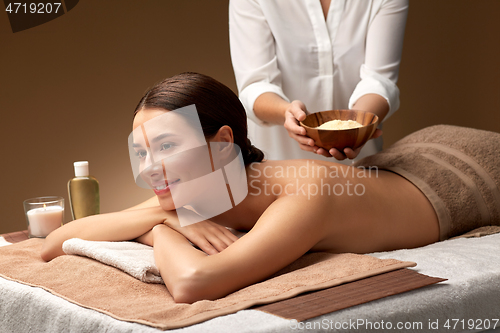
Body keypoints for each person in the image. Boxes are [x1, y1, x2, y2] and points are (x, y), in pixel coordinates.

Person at [41, 73, 500, 304]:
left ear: (222, 143)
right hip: (400, 161)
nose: (149, 168)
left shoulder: (305, 194)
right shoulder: (193, 190)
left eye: (165, 145)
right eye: (141, 152)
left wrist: (161, 228)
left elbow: (194, 284)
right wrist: (167, 216)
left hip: (468, 170)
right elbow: (59, 240)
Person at [229, 0, 409, 161]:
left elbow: (379, 80)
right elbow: (254, 84)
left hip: (358, 166)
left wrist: (356, 127)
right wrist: (287, 112)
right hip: (279, 164)